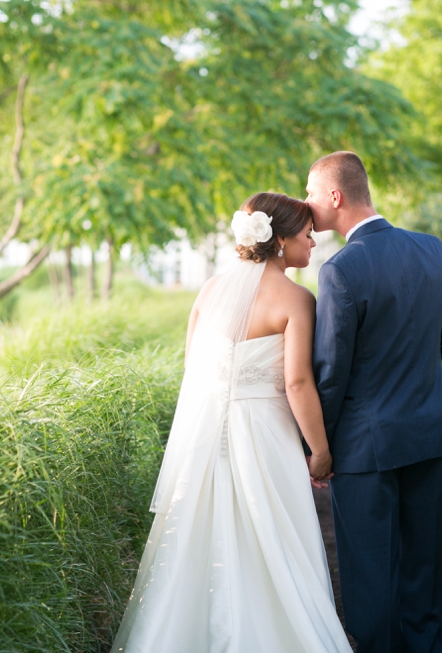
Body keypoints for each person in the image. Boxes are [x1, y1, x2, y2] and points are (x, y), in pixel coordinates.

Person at [110, 192, 352, 653]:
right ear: (280, 241)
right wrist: (320, 451)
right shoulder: (298, 299)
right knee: (272, 539)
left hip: (205, 435)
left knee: (200, 537)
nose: (314, 243)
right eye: (307, 235)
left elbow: (193, 368)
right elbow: (298, 382)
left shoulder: (209, 291)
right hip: (265, 435)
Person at [306, 151, 442, 653]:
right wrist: (410, 369)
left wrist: (320, 446)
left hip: (364, 443)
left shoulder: (340, 269)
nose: (307, 204)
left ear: (335, 196)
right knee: (423, 569)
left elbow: (331, 372)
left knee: (370, 578)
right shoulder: (429, 248)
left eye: (311, 192)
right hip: (429, 430)